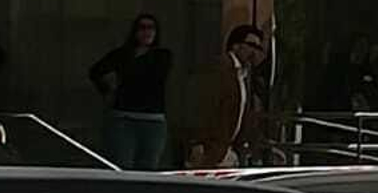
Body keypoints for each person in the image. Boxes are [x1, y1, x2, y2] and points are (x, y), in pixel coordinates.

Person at [88, 12, 173, 170]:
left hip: (153, 120)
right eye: (142, 28)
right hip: (123, 118)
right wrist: (107, 90)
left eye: (151, 28)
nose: (147, 32)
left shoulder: (162, 55)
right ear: (135, 31)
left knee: (148, 168)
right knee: (122, 166)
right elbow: (95, 71)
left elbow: (151, 76)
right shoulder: (122, 54)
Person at [185, 23, 267, 168]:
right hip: (210, 149)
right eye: (251, 45)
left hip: (229, 151)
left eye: (258, 47)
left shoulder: (244, 75)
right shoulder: (219, 69)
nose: (254, 51)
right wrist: (197, 142)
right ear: (235, 45)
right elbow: (202, 106)